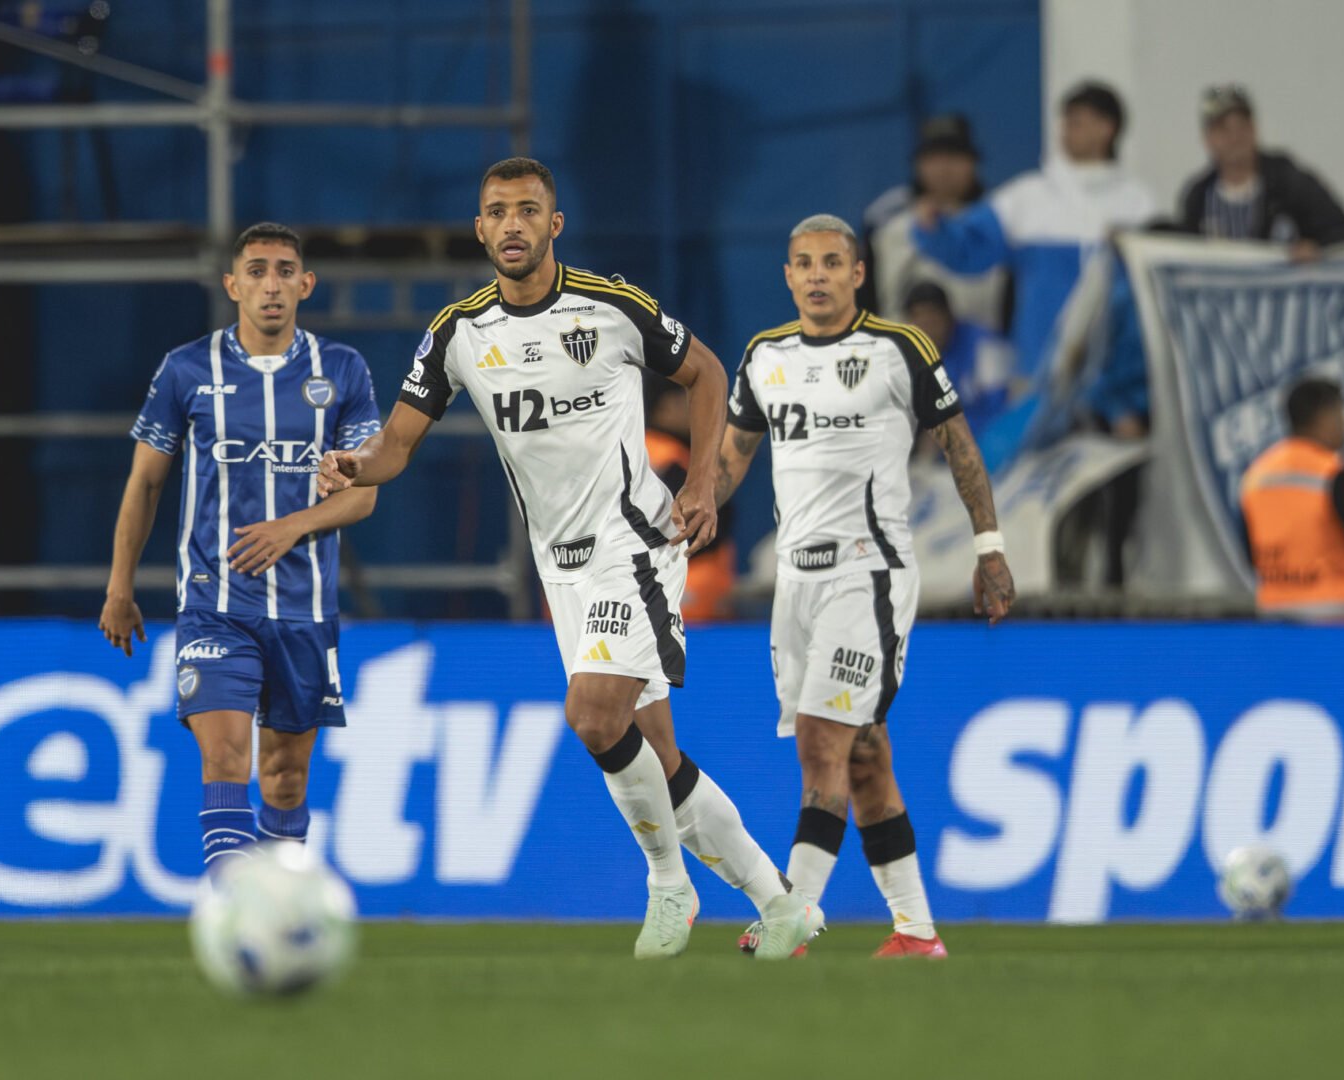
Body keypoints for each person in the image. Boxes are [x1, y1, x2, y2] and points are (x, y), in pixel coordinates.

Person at [319, 156, 821, 960]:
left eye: (527, 210)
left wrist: (700, 484)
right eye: (496, 211)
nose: (511, 224)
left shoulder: (611, 306)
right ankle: (781, 905)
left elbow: (706, 373)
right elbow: (396, 445)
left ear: (554, 225)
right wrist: (355, 464)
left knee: (592, 715)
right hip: (563, 566)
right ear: (479, 228)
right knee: (654, 754)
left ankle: (668, 886)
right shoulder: (459, 334)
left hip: (636, 545)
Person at [716, 214, 1016, 959]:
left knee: (822, 743)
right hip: (796, 584)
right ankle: (917, 933)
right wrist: (682, 515)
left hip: (869, 573)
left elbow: (959, 446)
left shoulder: (897, 350)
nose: (816, 275)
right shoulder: (763, 357)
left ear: (858, 274)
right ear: (786, 276)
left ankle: (791, 917)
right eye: (802, 263)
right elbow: (728, 462)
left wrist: (990, 546)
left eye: (831, 262)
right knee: (863, 756)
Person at [99, 222, 382, 869]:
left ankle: (276, 911)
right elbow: (145, 483)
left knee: (285, 777)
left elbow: (365, 494)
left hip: (305, 610)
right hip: (214, 604)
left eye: (285, 270)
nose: (271, 284)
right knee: (226, 755)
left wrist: (292, 526)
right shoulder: (187, 369)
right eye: (256, 270)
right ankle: (232, 913)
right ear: (233, 285)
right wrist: (120, 587)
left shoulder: (341, 371)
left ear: (306, 284)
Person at [913, 82, 1155, 386]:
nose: (1066, 130)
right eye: (1065, 121)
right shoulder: (1028, 197)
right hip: (1037, 374)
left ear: (1107, 128)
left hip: (1112, 378)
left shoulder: (1137, 204)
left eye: (1077, 121)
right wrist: (934, 229)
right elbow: (969, 248)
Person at [859, 114, 1005, 332]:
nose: (944, 168)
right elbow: (864, 299)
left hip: (983, 357)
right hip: (903, 356)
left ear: (972, 162)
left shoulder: (1001, 218)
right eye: (934, 158)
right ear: (918, 164)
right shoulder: (886, 222)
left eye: (954, 157)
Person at [1180, 85, 1344, 258]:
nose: (1234, 137)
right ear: (1208, 139)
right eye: (1223, 129)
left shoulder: (1290, 183)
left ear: (1254, 130)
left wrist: (1317, 246)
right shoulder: (1198, 198)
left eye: (1241, 126)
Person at [1240, 378, 1344, 620]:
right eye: (1340, 413)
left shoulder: (1256, 477)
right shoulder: (1332, 476)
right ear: (1323, 418)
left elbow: (1249, 551)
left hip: (1278, 613)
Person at [644, 379, 737, 620]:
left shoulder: (638, 448)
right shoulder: (668, 457)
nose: (693, 409)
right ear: (663, 408)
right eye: (684, 401)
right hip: (680, 589)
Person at [902, 280, 1012, 438]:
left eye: (932, 320)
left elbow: (1003, 412)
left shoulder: (986, 347)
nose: (927, 330)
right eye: (920, 324)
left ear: (948, 315)